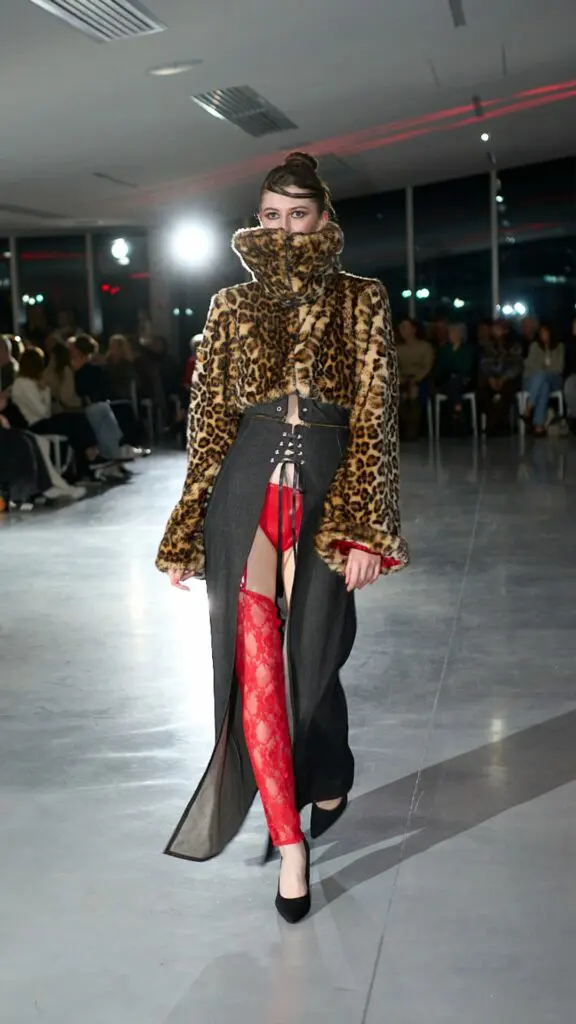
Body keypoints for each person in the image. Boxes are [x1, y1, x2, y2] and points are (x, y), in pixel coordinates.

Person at [156, 152, 409, 924]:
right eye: (271, 215)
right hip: (244, 494)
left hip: (329, 493)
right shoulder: (231, 304)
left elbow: (377, 418)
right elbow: (208, 426)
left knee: (314, 659)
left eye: (299, 215)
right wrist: (187, 528)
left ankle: (327, 769)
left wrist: (366, 527)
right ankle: (289, 845)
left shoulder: (361, 298)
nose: (284, 229)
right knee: (258, 671)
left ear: (323, 220)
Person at [11, 347, 101, 478]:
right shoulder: (22, 384)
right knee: (74, 421)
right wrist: (45, 390)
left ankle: (87, 456)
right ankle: (90, 453)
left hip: (43, 420)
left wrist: (45, 389)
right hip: (36, 424)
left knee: (77, 421)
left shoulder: (34, 383)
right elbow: (43, 411)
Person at [478, 320, 523, 435]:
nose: (495, 331)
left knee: (507, 391)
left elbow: (516, 365)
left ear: (505, 330)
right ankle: (493, 421)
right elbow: (483, 363)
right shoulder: (486, 346)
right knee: (482, 390)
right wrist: (490, 378)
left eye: (498, 328)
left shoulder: (514, 346)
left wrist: (504, 378)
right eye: (494, 328)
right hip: (491, 378)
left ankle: (497, 423)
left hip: (508, 378)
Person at [523, 324, 565, 437]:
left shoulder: (559, 347)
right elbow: (531, 366)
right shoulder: (534, 346)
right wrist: (545, 368)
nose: (544, 336)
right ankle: (539, 426)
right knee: (544, 385)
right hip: (534, 380)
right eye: (541, 334)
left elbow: (559, 368)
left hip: (554, 379)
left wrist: (544, 368)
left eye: (546, 333)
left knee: (542, 375)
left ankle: (529, 406)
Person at [396, 317, 434, 439]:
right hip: (402, 380)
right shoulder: (398, 349)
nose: (403, 330)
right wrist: (401, 379)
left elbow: (427, 366)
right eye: (401, 327)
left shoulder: (425, 347)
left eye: (405, 327)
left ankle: (413, 429)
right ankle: (402, 428)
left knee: (415, 393)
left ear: (414, 329)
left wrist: (415, 380)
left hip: (420, 380)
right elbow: (395, 367)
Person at [434, 323, 475, 430]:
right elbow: (440, 367)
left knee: (455, 381)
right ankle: (458, 410)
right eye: (450, 332)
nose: (451, 335)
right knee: (451, 381)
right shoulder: (444, 350)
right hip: (446, 379)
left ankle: (456, 411)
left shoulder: (467, 350)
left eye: (454, 332)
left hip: (463, 380)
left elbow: (465, 367)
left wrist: (453, 367)